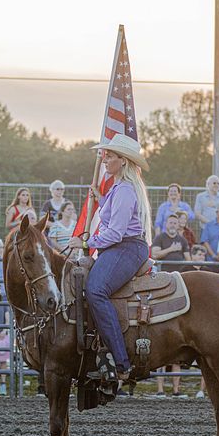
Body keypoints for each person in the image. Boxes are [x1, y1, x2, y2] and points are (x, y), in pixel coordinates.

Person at [67, 133, 152, 381]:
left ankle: (121, 363)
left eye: (110, 155)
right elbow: (116, 218)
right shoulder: (119, 189)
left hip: (126, 247)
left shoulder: (125, 190)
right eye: (105, 155)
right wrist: (100, 198)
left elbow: (115, 232)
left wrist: (85, 242)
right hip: (121, 246)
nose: (104, 159)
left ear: (123, 161)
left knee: (95, 289)